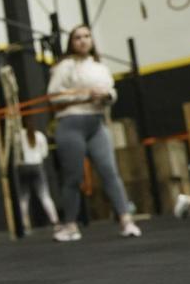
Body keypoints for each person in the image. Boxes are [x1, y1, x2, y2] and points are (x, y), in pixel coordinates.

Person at [47, 25, 141, 241]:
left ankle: (126, 220)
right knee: (73, 176)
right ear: (71, 42)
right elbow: (53, 96)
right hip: (71, 124)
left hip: (97, 124)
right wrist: (85, 95)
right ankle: (70, 225)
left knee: (110, 172)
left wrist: (106, 96)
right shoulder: (64, 67)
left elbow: (111, 92)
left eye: (86, 36)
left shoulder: (100, 68)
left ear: (92, 40)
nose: (83, 40)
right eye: (78, 37)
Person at [16, 117, 60, 232]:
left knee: (24, 197)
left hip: (23, 167)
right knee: (44, 195)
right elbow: (44, 153)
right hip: (36, 165)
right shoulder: (39, 135)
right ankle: (55, 221)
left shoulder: (18, 135)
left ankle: (24, 225)